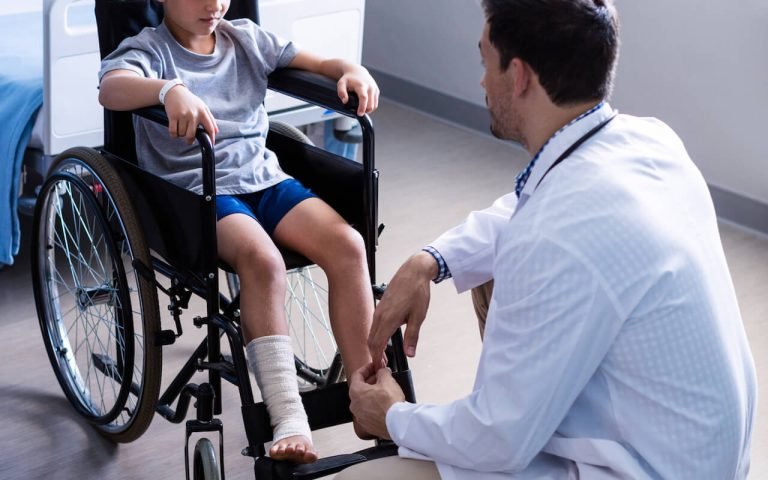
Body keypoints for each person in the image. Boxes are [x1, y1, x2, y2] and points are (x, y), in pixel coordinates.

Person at [344, 0, 758, 478]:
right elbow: (524, 211)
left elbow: (496, 439)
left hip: (643, 469)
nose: (481, 81)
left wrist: (393, 418)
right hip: (699, 456)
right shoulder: (651, 141)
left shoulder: (551, 237)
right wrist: (429, 261)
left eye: (485, 62)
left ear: (518, 76)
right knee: (488, 271)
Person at [98, 0, 380, 464]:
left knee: (349, 245)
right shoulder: (149, 50)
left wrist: (350, 69)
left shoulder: (245, 38)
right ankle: (288, 415)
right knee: (264, 262)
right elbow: (111, 90)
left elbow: (318, 63)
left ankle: (368, 395)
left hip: (265, 179)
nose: (214, 5)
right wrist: (169, 90)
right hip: (199, 193)